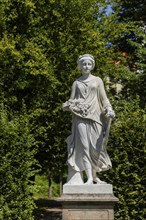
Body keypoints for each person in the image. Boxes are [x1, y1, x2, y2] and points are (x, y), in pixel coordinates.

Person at [62, 54, 115, 185]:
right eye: (84, 64)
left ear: (92, 66)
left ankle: (95, 175)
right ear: (80, 66)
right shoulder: (76, 83)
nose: (86, 66)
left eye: (89, 64)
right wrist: (68, 106)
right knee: (84, 147)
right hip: (80, 118)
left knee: (96, 148)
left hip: (96, 117)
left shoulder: (98, 81)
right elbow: (71, 100)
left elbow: (104, 99)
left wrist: (109, 109)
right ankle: (89, 178)